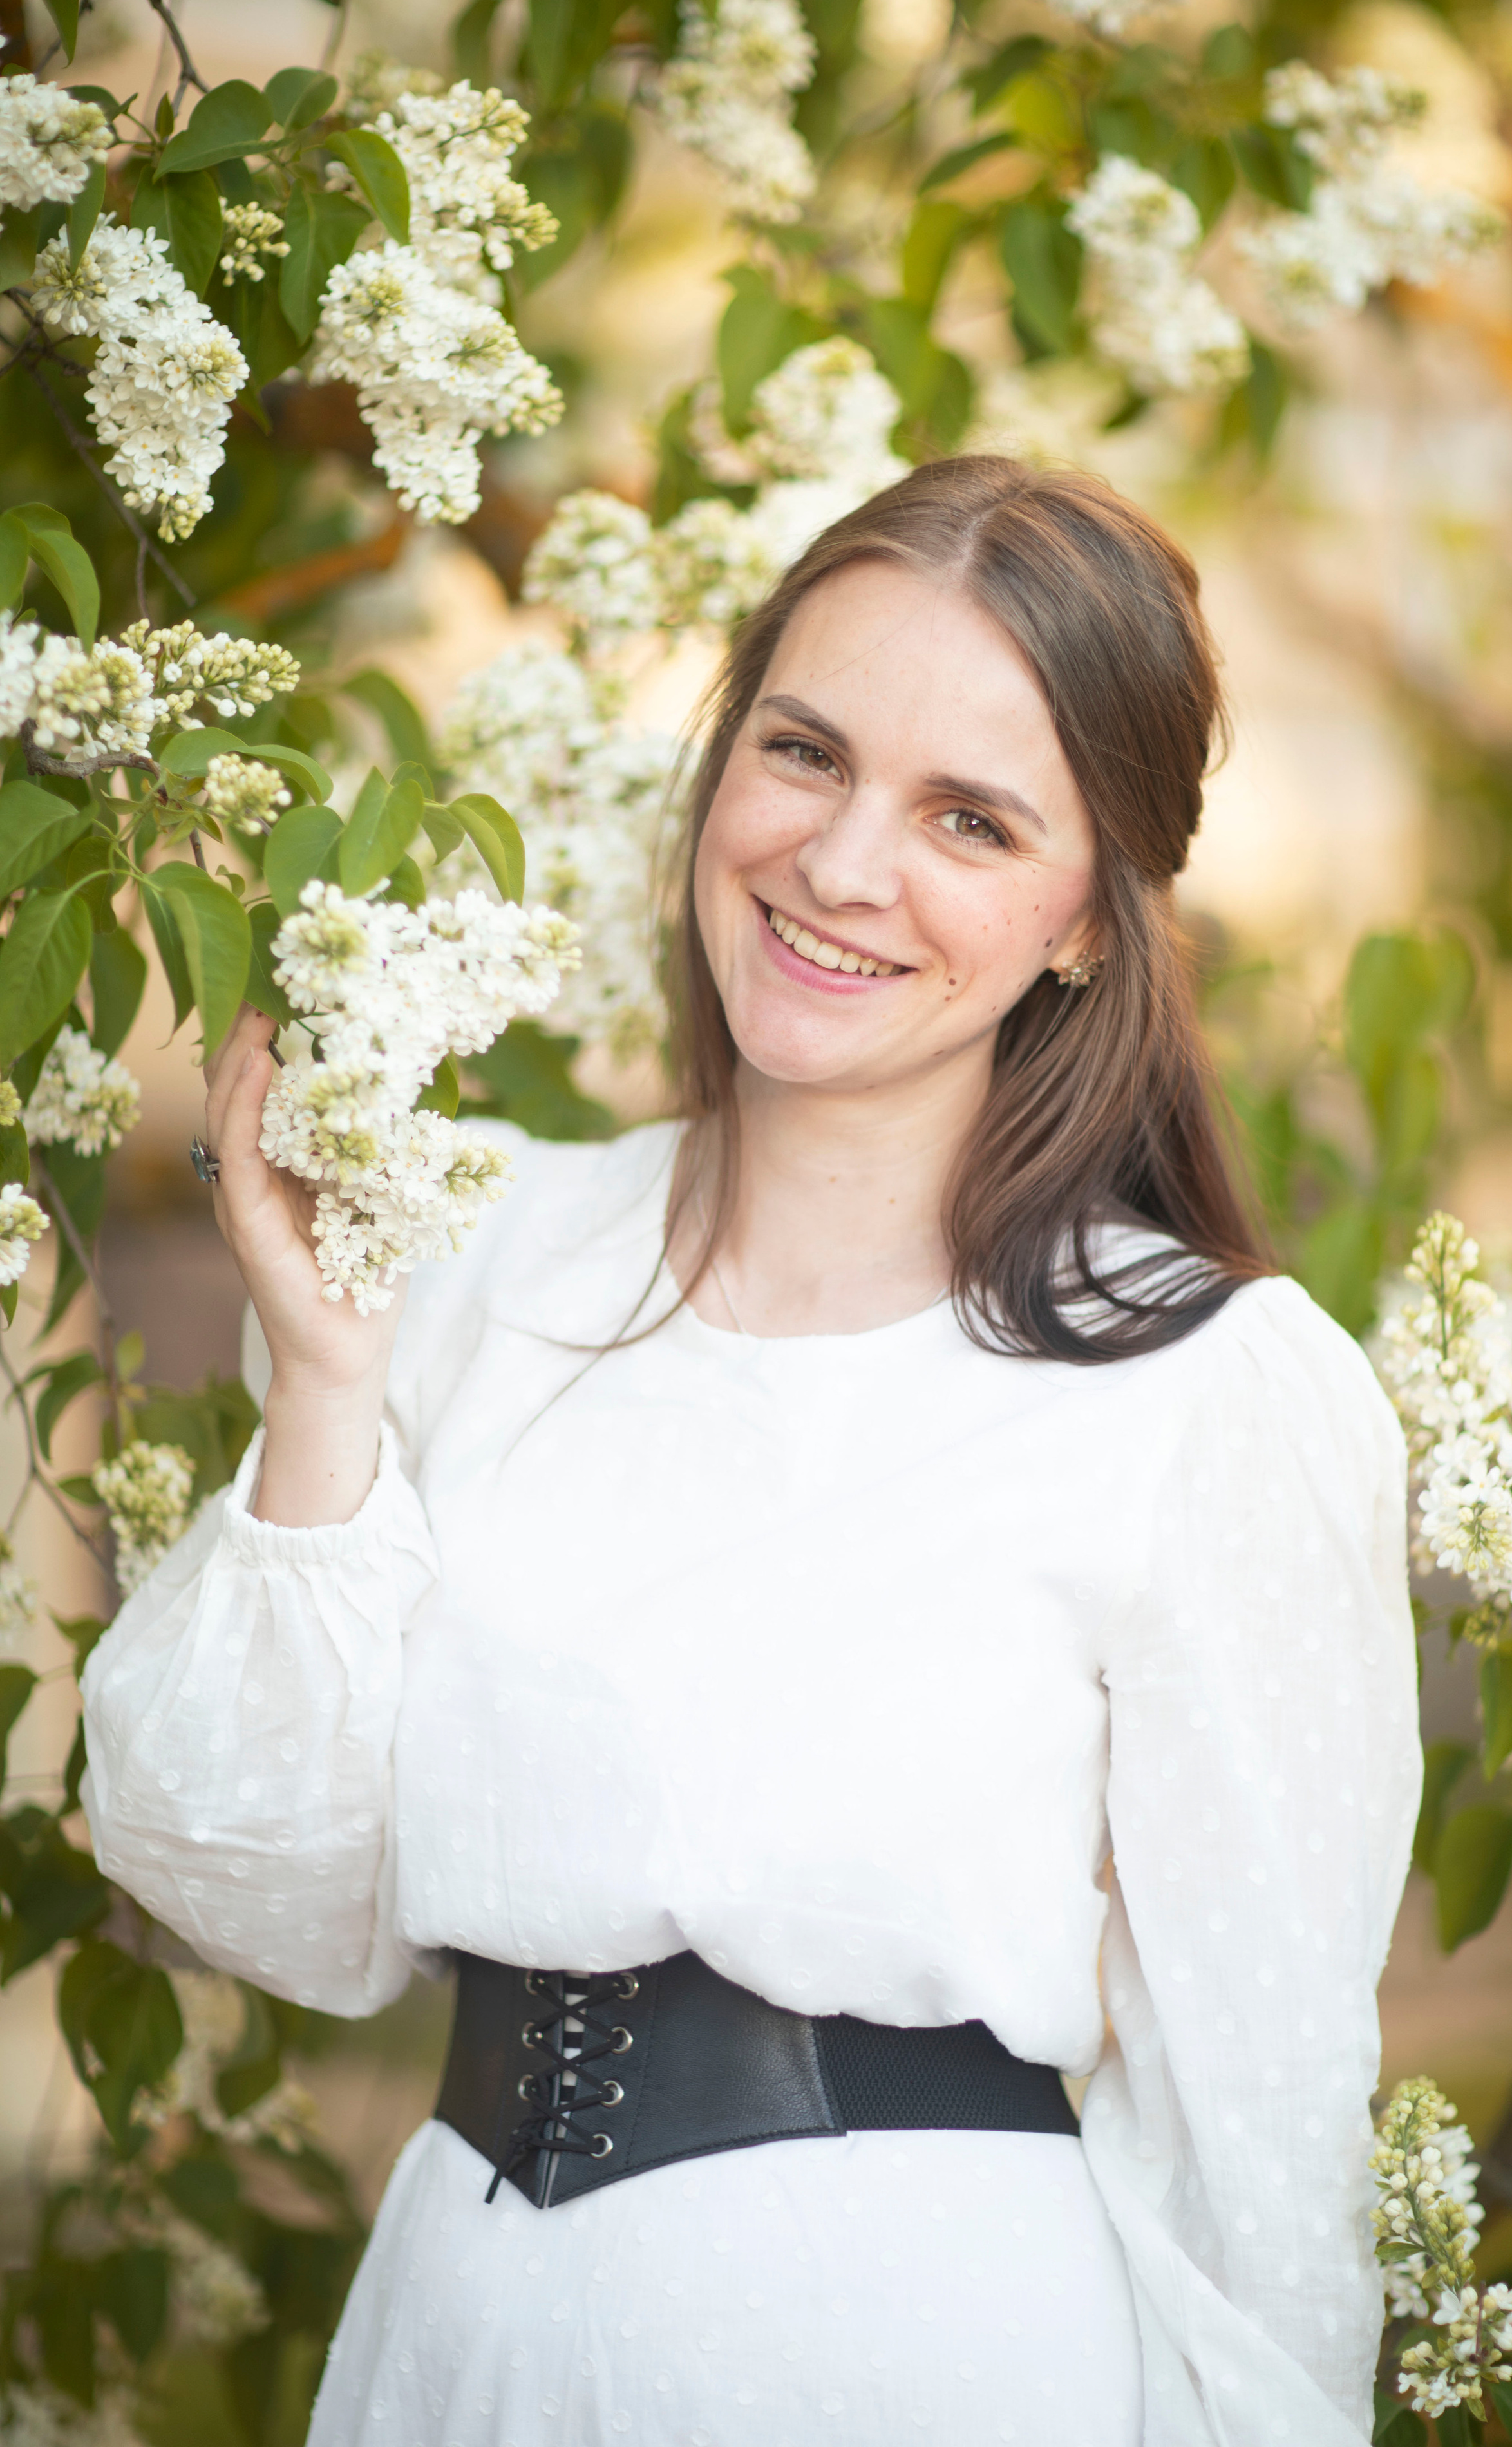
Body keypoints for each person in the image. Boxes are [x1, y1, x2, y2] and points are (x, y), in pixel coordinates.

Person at [82, 457, 1420, 2447]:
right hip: (464, 2335)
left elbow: (1264, 2137)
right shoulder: (485, 1246)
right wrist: (329, 1381)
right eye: (806, 753)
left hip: (906, 2359)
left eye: (973, 819)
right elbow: (254, 1901)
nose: (843, 863)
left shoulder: (1207, 1385)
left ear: (1083, 922)